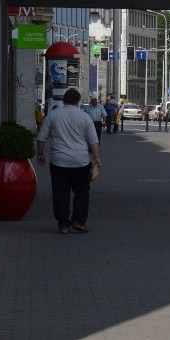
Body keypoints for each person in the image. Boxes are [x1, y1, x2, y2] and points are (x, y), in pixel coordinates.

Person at [35, 88, 101, 234]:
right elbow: (93, 141)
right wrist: (96, 157)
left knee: (60, 192)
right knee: (82, 191)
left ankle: (64, 224)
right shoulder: (84, 117)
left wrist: (40, 153)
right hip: (81, 162)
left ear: (64, 100)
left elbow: (41, 137)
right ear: (78, 101)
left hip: (59, 161)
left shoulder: (53, 115)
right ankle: (78, 221)